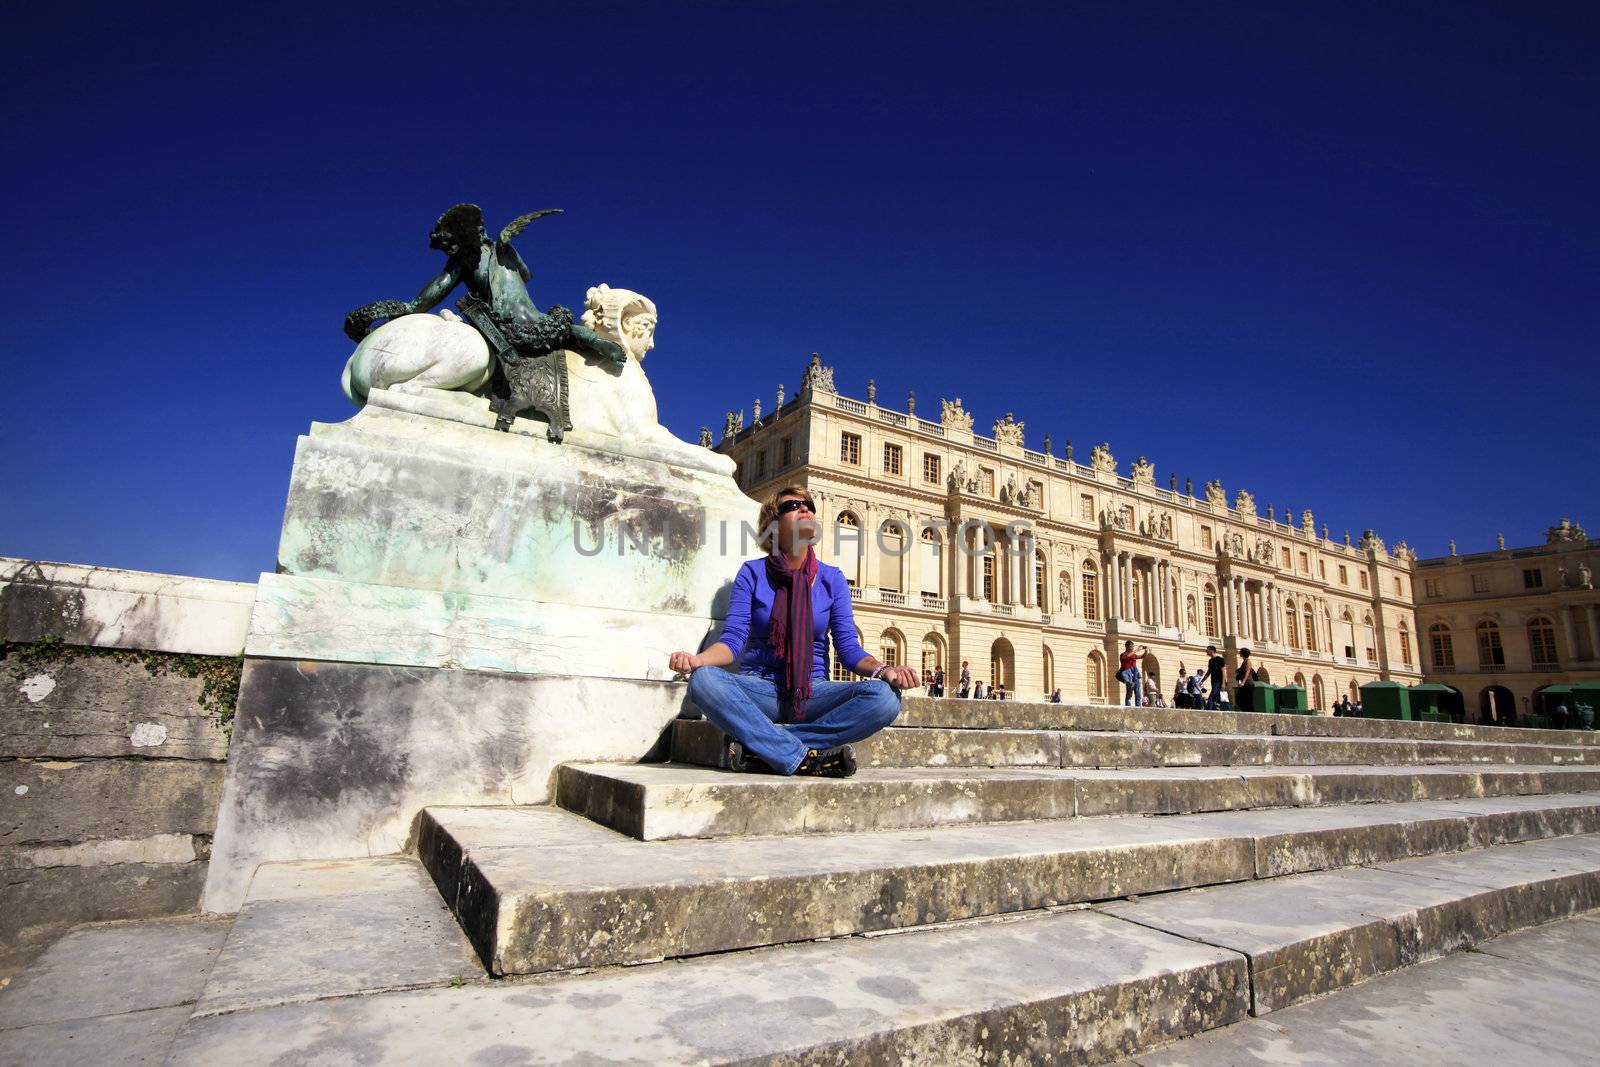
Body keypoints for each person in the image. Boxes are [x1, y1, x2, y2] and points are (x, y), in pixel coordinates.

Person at [669, 486, 916, 776]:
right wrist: (699, 661)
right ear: (772, 525)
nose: (806, 509)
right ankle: (803, 755)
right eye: (793, 505)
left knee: (885, 698)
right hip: (761, 688)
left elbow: (848, 650)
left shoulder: (832, 579)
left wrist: (884, 670)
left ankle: (766, 750)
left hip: (814, 690)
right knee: (704, 681)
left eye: (809, 505)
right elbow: (733, 641)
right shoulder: (752, 573)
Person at [1118, 641, 1148, 707]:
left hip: (1135, 673)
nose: (1132, 648)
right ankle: (1128, 707)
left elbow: (1142, 656)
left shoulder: (1133, 655)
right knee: (1129, 692)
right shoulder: (1123, 655)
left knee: (1138, 692)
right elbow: (1127, 656)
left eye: (1133, 646)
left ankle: (1138, 707)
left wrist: (1146, 651)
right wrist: (1137, 649)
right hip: (1127, 674)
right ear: (1126, 646)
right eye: (1131, 647)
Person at [1203, 644, 1226, 710]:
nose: (1206, 651)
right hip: (1213, 681)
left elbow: (1223, 672)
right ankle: (1214, 708)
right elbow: (1208, 672)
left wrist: (1223, 683)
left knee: (1212, 696)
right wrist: (1202, 681)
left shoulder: (1220, 659)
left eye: (1207, 650)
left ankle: (1208, 709)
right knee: (1217, 696)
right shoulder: (1210, 661)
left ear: (1212, 650)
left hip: (1219, 681)